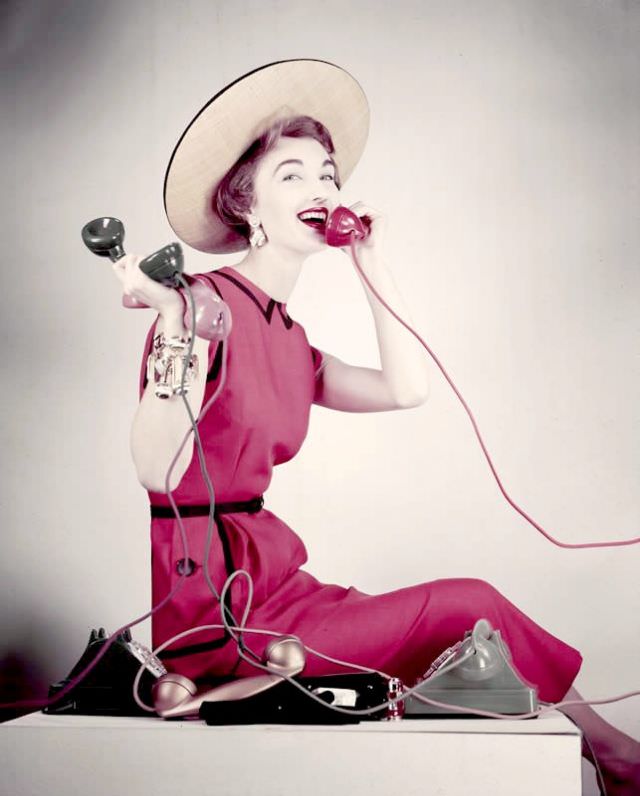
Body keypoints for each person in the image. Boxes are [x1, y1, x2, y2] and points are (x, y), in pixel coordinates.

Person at [111, 61, 639, 793]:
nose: (322, 189)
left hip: (281, 585)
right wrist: (173, 326)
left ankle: (608, 751)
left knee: (460, 626)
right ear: (246, 204)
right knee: (468, 602)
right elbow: (154, 471)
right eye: (292, 175)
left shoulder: (288, 337)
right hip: (219, 610)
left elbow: (405, 388)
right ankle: (614, 752)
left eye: (327, 174)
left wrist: (373, 264)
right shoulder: (200, 305)